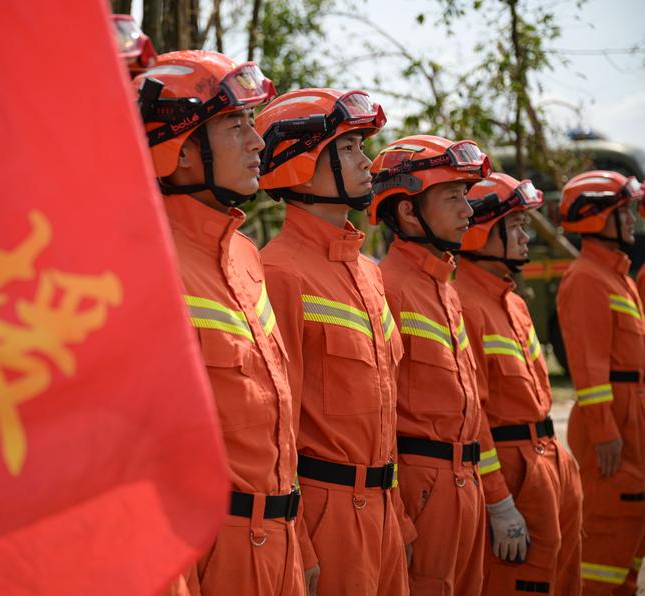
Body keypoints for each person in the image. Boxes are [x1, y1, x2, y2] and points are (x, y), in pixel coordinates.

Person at [134, 50, 304, 595]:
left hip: (280, 545)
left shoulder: (247, 258)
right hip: (207, 557)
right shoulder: (144, 271)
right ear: (180, 152)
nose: (258, 142)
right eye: (236, 125)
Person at [256, 88, 409, 595]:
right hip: (328, 518)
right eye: (348, 149)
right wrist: (300, 540)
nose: (366, 161)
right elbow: (278, 425)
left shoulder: (369, 272)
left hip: (384, 510)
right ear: (302, 163)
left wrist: (401, 518)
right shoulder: (279, 272)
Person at [367, 134, 488, 595]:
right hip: (423, 491)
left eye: (467, 196)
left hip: (464, 484)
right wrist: (399, 513)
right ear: (407, 211)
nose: (468, 211)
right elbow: (380, 420)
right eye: (453, 197)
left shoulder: (445, 288)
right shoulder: (388, 288)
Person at [455, 172, 583, 594]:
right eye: (515, 226)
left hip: (549, 461)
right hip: (515, 473)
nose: (526, 236)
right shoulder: (464, 306)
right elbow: (474, 417)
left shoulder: (512, 302)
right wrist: (499, 500)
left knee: (563, 578)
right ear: (481, 233)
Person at [557, 170, 645, 594]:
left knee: (630, 534)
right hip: (610, 426)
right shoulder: (586, 279)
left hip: (631, 417)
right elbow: (589, 367)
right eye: (622, 211)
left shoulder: (621, 277)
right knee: (606, 537)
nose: (632, 220)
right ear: (594, 217)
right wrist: (605, 430)